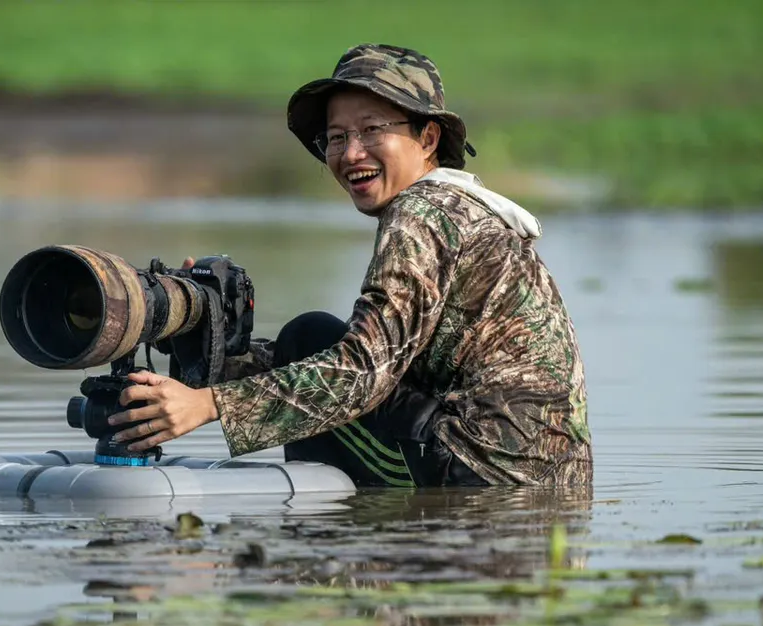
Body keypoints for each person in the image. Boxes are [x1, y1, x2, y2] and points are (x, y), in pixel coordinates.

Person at [107, 43, 592, 487]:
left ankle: (316, 553)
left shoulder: (421, 216)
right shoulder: (457, 207)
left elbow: (360, 372)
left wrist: (207, 405)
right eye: (336, 137)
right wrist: (216, 347)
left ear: (428, 137)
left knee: (310, 339)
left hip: (483, 474)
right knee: (306, 341)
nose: (351, 153)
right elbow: (373, 364)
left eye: (372, 129)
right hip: (535, 477)